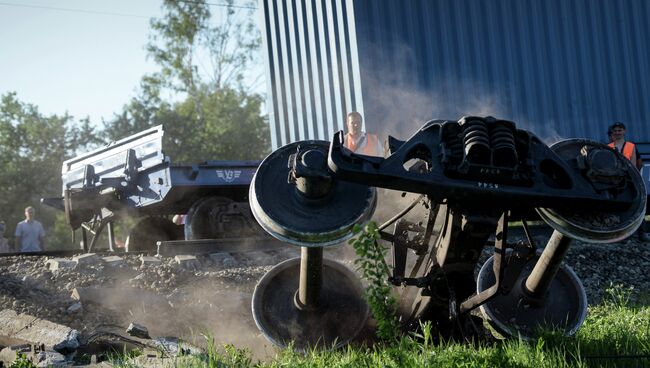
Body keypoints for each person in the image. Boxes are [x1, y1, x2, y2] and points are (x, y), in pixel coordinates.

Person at [607, 122, 649, 242]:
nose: (617, 132)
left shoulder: (631, 146)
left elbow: (637, 163)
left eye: (620, 130)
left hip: (630, 180)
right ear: (612, 133)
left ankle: (642, 233)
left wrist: (634, 176)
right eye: (615, 130)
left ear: (624, 131)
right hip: (614, 181)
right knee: (618, 207)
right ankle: (621, 236)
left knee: (637, 206)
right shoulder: (608, 147)